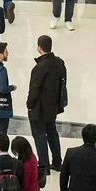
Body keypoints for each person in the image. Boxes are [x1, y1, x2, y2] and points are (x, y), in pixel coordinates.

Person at [27, 33, 66, 180]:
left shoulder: (39, 67)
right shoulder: (59, 63)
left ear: (39, 47)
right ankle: (57, 162)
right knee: (52, 132)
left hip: (39, 108)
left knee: (39, 135)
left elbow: (35, 89)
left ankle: (43, 166)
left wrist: (29, 104)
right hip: (53, 106)